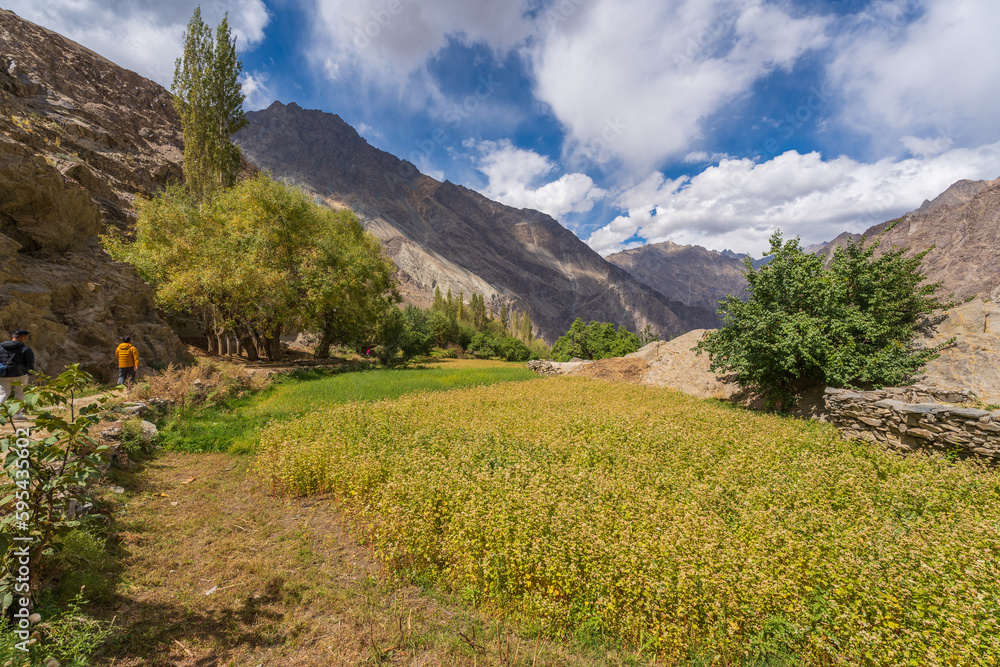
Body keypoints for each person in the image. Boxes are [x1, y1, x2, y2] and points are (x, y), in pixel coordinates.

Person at [0, 329, 35, 420]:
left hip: (3, 374)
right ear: (22, 338)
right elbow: (30, 363)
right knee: (20, 394)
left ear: (13, 336)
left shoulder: (1, 347)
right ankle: (17, 414)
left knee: (3, 393)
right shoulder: (25, 349)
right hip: (20, 375)